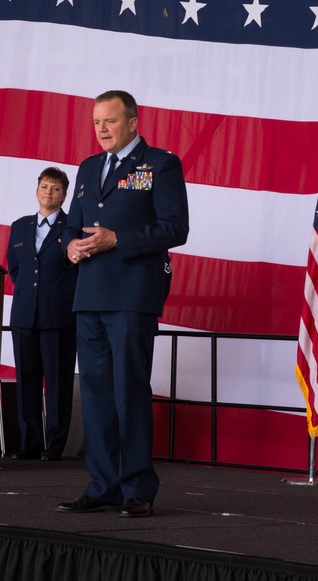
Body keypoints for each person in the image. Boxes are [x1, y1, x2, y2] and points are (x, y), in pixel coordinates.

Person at [57, 90, 189, 518]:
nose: (101, 129)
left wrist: (119, 239)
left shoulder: (159, 165)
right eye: (96, 122)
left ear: (133, 122)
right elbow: (71, 227)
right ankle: (104, 484)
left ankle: (137, 487)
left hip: (132, 293)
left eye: (109, 121)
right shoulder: (88, 167)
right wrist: (71, 245)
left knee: (128, 390)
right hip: (89, 294)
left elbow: (175, 227)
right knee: (95, 393)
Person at [4, 168, 78, 461]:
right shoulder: (20, 226)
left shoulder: (73, 226)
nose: (49, 192)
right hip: (24, 314)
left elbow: (77, 270)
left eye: (56, 188)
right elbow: (15, 269)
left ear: (64, 195)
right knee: (27, 380)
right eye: (45, 186)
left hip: (59, 315)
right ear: (37, 190)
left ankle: (54, 445)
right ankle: (29, 442)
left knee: (58, 382)